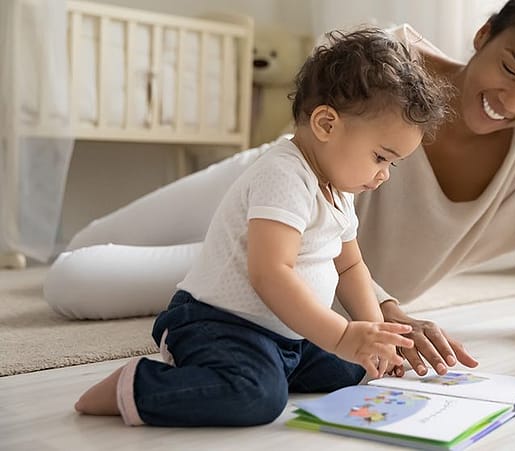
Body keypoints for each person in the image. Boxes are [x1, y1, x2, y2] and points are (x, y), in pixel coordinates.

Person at [48, 0, 515, 388]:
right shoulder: (388, 66)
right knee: (83, 253)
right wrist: (386, 309)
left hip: (307, 267)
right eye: (510, 68)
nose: (514, 103)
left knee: (77, 283)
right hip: (273, 200)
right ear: (482, 34)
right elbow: (312, 152)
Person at [72, 28, 451, 427]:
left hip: (284, 336)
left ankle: (281, 365)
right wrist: (342, 337)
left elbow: (351, 268)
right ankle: (133, 385)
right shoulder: (284, 175)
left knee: (351, 370)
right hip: (218, 324)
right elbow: (270, 273)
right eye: (380, 157)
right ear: (326, 123)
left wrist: (374, 335)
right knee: (256, 396)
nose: (384, 175)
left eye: (391, 164)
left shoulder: (339, 192)